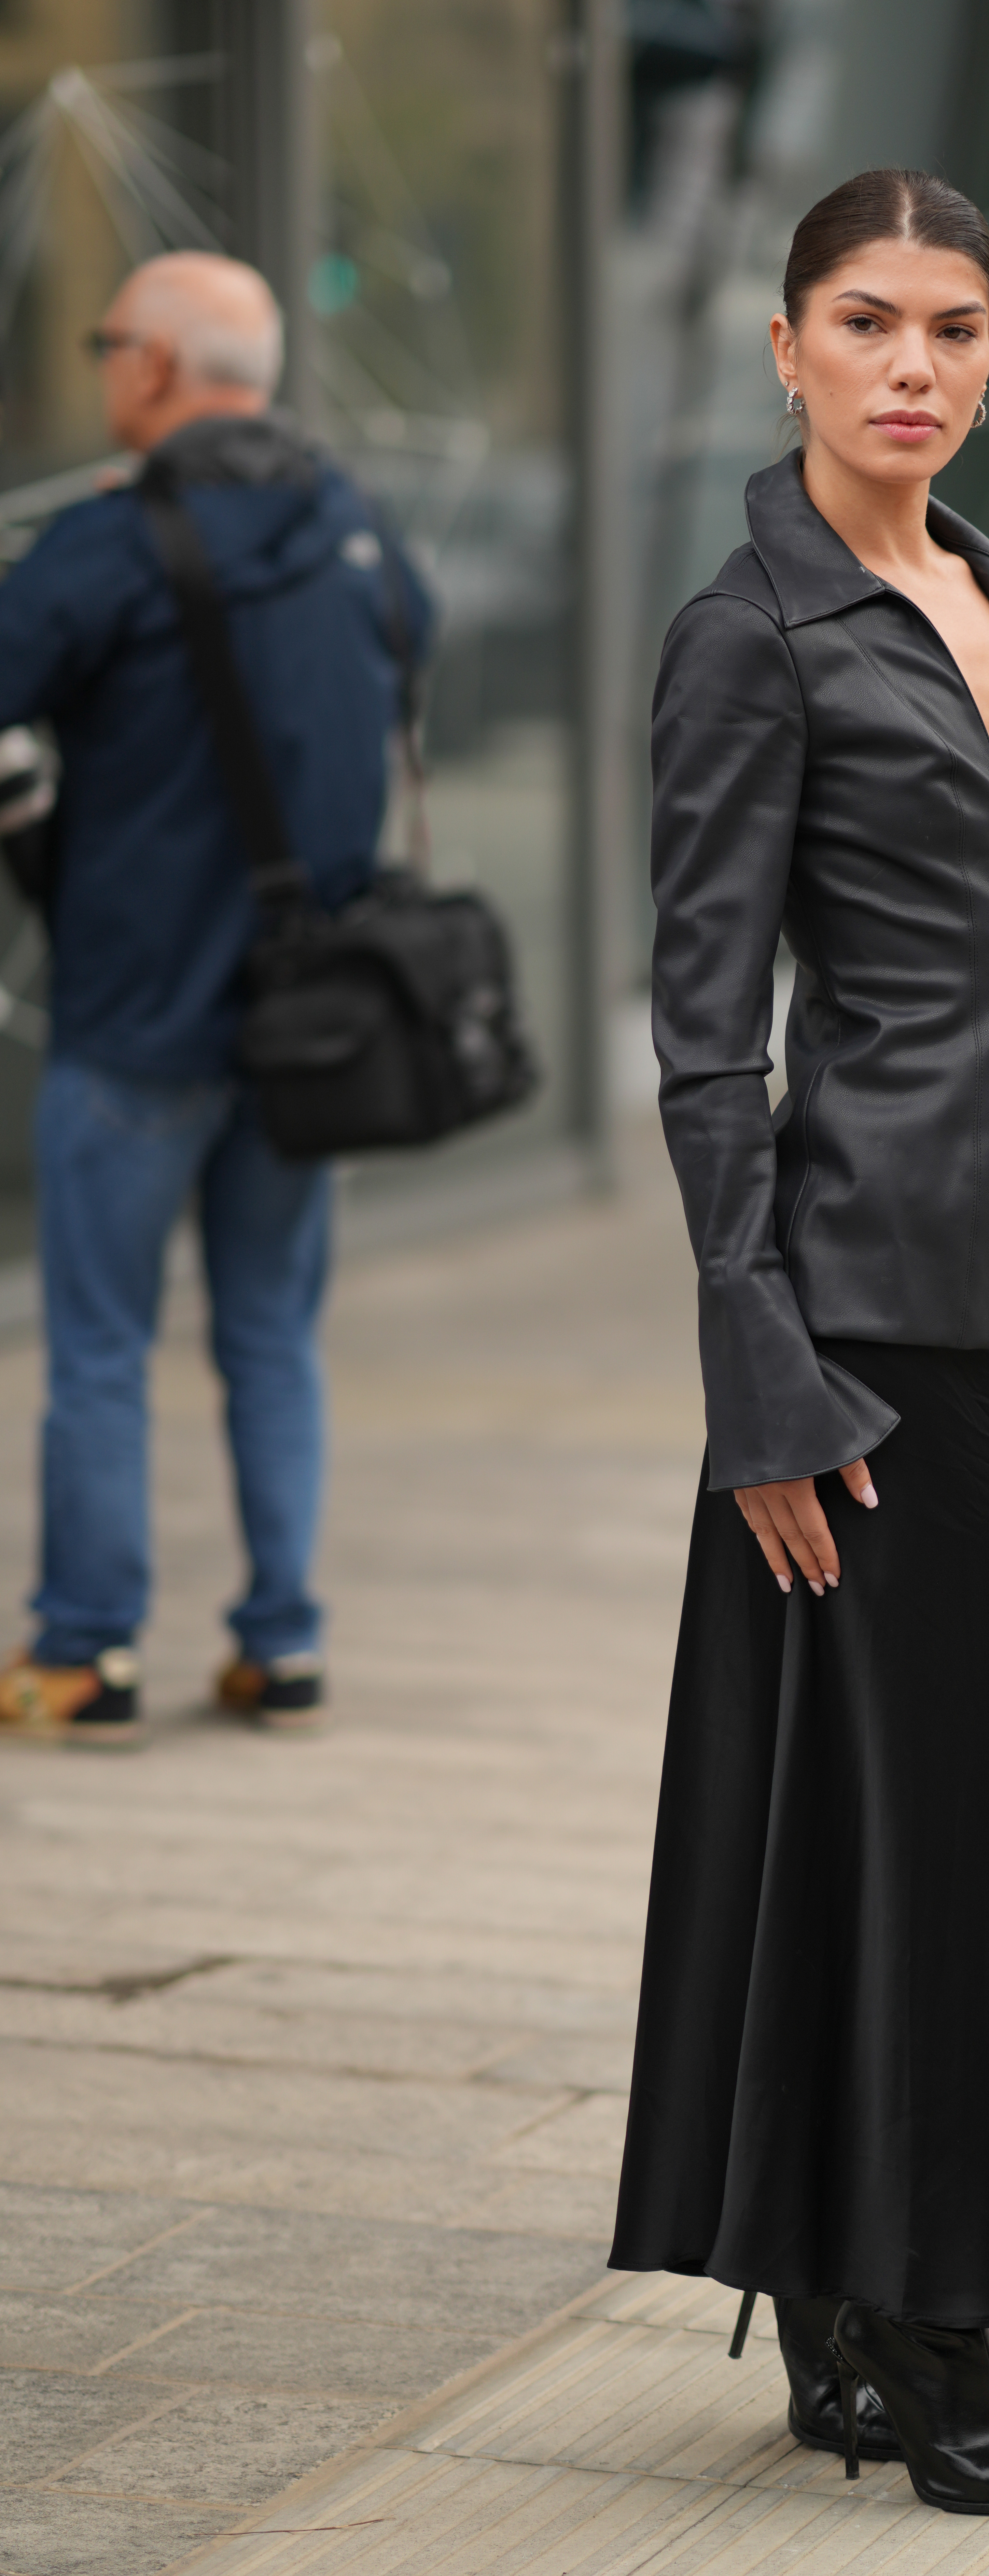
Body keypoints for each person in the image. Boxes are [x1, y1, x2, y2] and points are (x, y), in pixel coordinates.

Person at [609, 171, 989, 2516]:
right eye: (866, 321)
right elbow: (705, 1025)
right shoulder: (753, 626)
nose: (911, 363)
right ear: (785, 348)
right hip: (853, 1316)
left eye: (950, 324)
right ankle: (927, 2350)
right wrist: (757, 1367)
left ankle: (847, 2311)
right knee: (929, 1826)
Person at [0, 252, 432, 1747]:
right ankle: (282, 1647)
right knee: (268, 1330)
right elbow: (407, 672)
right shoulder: (359, 530)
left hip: (133, 1020)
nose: (106, 360)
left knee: (103, 1345)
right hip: (307, 1030)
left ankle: (85, 1656)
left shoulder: (108, 548)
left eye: (111, 338)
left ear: (159, 373)